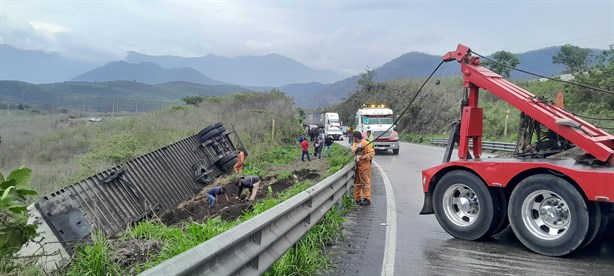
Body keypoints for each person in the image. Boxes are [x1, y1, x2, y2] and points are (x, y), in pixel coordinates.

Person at [352, 132, 375, 206]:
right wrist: (356, 150)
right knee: (357, 183)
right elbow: (353, 150)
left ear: (356, 137)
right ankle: (357, 198)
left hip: (364, 167)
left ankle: (367, 199)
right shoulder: (355, 144)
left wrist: (365, 157)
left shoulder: (365, 143)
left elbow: (372, 153)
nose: (353, 139)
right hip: (358, 166)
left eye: (353, 137)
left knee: (365, 183)